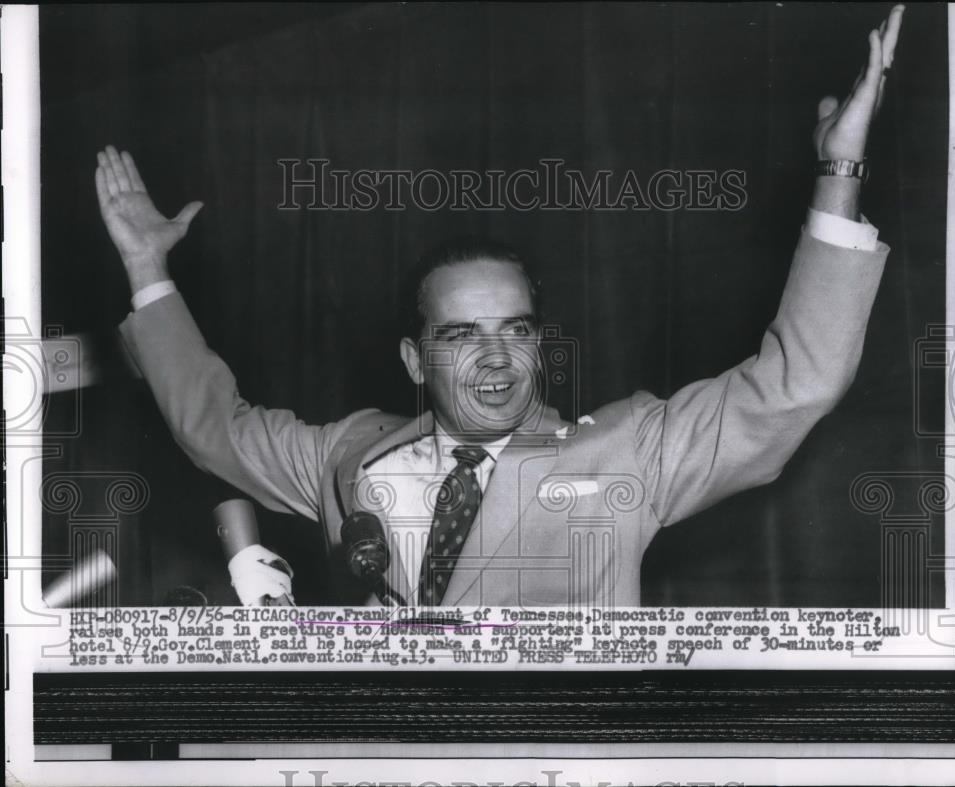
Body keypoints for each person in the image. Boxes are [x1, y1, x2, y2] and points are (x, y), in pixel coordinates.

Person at [96, 7, 905, 608]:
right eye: (461, 334)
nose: (496, 357)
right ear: (415, 358)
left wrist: (841, 171)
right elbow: (216, 430)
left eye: (516, 330)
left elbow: (796, 383)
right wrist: (146, 267)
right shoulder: (348, 455)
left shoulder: (627, 453)